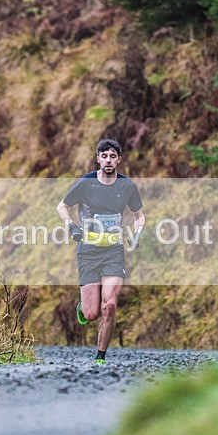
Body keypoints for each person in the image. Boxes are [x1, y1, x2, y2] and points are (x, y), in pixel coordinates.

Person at [56, 139, 145, 364]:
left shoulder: (127, 187)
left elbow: (139, 216)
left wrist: (136, 234)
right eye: (104, 156)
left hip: (114, 251)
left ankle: (100, 357)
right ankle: (82, 306)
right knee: (91, 314)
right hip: (88, 251)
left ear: (118, 160)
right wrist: (70, 226)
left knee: (110, 304)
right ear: (98, 159)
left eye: (112, 156)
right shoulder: (86, 184)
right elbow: (62, 206)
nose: (108, 160)